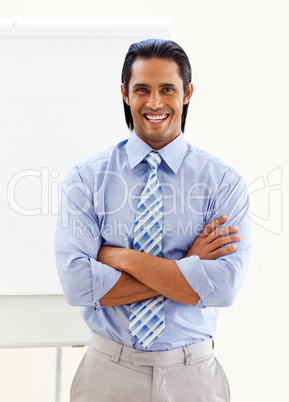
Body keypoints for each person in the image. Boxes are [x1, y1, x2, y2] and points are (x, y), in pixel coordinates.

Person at [54, 39, 251, 402]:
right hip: (107, 375)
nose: (155, 103)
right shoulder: (86, 179)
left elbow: (223, 288)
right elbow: (78, 286)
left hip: (193, 377)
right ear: (126, 94)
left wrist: (120, 257)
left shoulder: (223, 182)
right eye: (142, 89)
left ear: (187, 93)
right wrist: (188, 267)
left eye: (167, 89)